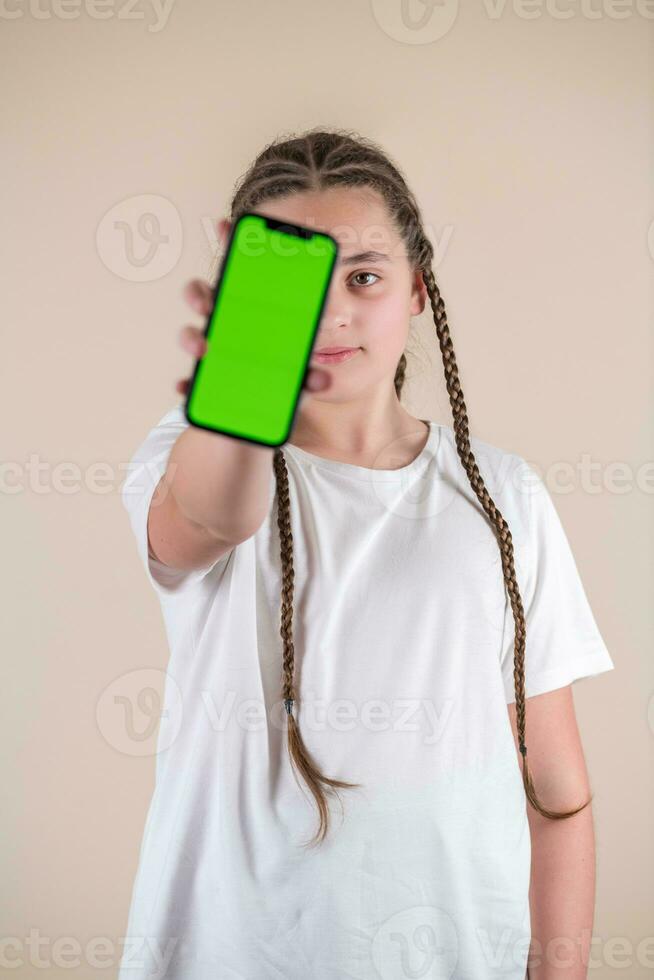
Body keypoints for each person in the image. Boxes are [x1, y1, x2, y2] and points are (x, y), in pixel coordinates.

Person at [118, 128, 615, 980]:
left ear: (417, 288)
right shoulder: (197, 452)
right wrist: (238, 388)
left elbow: (556, 794)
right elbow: (204, 519)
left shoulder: (505, 497)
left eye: (364, 276)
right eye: (296, 284)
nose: (335, 311)